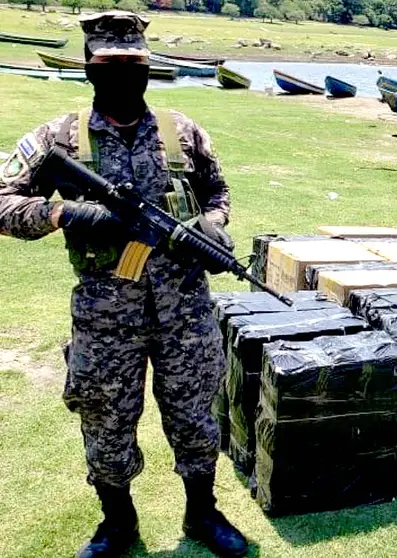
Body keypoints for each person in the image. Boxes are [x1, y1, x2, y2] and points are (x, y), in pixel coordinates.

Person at [0, 11, 248, 558]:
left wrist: (212, 226)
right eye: (109, 65)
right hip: (105, 316)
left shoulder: (182, 131)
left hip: (185, 313)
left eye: (133, 64)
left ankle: (202, 515)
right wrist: (65, 215)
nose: (122, 75)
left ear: (147, 66)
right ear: (90, 68)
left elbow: (217, 192)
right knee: (105, 419)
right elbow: (4, 202)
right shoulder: (57, 138)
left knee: (196, 415)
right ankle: (118, 523)